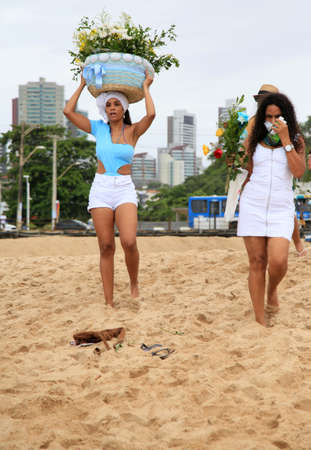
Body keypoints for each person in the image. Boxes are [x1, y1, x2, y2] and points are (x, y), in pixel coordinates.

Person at [64, 71, 155, 307]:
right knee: (106, 246)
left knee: (129, 241)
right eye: (108, 104)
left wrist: (146, 86)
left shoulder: (133, 131)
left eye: (116, 104)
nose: (112, 108)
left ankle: (134, 282)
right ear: (104, 109)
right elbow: (68, 112)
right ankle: (109, 301)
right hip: (101, 188)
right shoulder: (98, 128)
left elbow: (152, 113)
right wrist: (82, 84)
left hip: (124, 188)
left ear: (124, 108)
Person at [237, 93, 306, 326]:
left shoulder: (296, 140)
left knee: (278, 262)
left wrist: (286, 140)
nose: (273, 120)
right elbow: (243, 169)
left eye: (278, 116)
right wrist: (233, 159)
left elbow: (298, 172)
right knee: (257, 261)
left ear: (286, 117)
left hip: (280, 207)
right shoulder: (254, 139)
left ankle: (272, 289)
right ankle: (259, 321)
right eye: (269, 116)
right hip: (252, 204)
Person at [244, 84, 306, 257]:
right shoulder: (253, 122)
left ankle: (297, 242)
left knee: (286, 207)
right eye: (260, 100)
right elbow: (246, 149)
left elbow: (295, 143)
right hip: (258, 172)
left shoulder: (285, 122)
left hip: (283, 168)